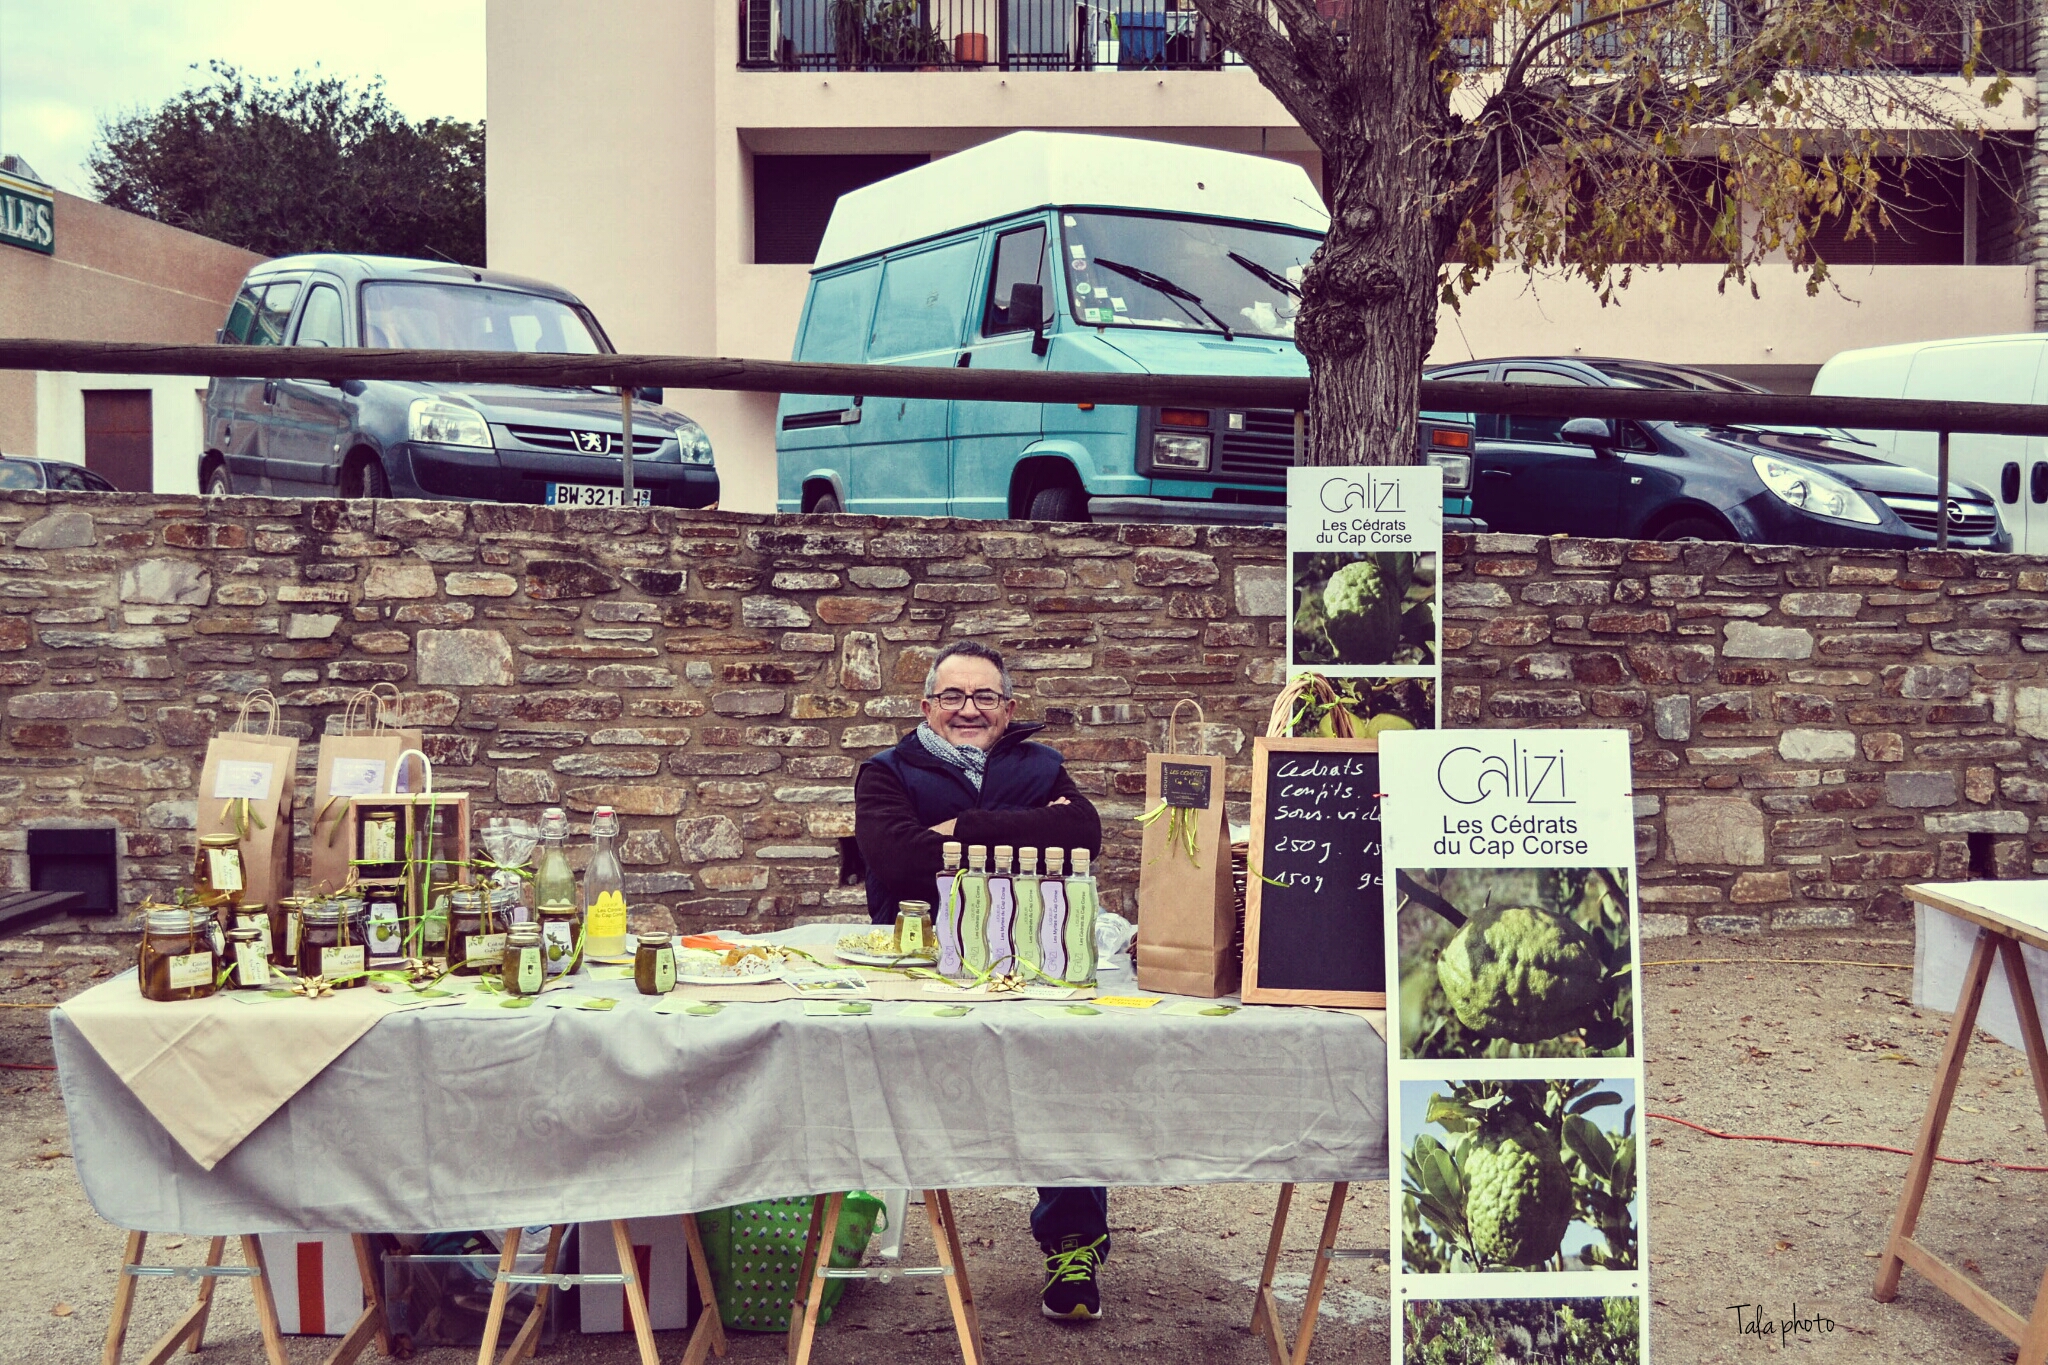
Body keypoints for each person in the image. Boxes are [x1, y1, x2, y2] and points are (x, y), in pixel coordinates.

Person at [853, 639, 1109, 1321]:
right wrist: (1028, 832)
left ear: (1008, 708)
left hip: (1032, 959)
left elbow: (1083, 834)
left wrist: (962, 826)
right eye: (953, 696)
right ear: (926, 705)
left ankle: (1073, 1243)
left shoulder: (1040, 764)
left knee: (1067, 1079)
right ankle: (835, 1227)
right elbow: (898, 860)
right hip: (923, 969)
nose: (968, 709)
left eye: (984, 696)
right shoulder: (885, 773)